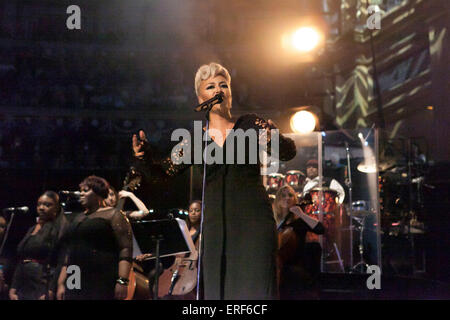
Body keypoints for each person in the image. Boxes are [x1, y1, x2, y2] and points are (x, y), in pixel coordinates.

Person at [132, 62, 296, 299]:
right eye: (211, 86)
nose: (219, 90)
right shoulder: (195, 141)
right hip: (215, 226)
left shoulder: (250, 124)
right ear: (201, 98)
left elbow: (288, 152)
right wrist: (144, 156)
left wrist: (272, 137)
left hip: (253, 223)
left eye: (224, 85)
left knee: (254, 290)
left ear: (229, 93)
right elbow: (162, 173)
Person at [56, 176, 133, 300]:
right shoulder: (78, 218)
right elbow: (70, 252)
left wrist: (122, 281)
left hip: (101, 274)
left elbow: (125, 249)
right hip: (75, 273)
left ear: (98, 193)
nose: (81, 194)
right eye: (80, 191)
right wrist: (61, 283)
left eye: (85, 191)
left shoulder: (113, 214)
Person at [8, 191, 67, 300]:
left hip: (42, 282)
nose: (41, 207)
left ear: (56, 208)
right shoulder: (32, 228)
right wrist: (13, 287)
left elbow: (61, 262)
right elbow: (22, 259)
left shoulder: (59, 229)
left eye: (47, 205)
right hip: (23, 283)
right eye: (39, 204)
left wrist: (51, 289)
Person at [273, 185, 324, 299]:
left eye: (290, 195)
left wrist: (301, 214)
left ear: (295, 199)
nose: (287, 198)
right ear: (277, 200)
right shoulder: (273, 222)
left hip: (292, 266)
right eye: (283, 195)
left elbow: (320, 229)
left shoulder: (299, 221)